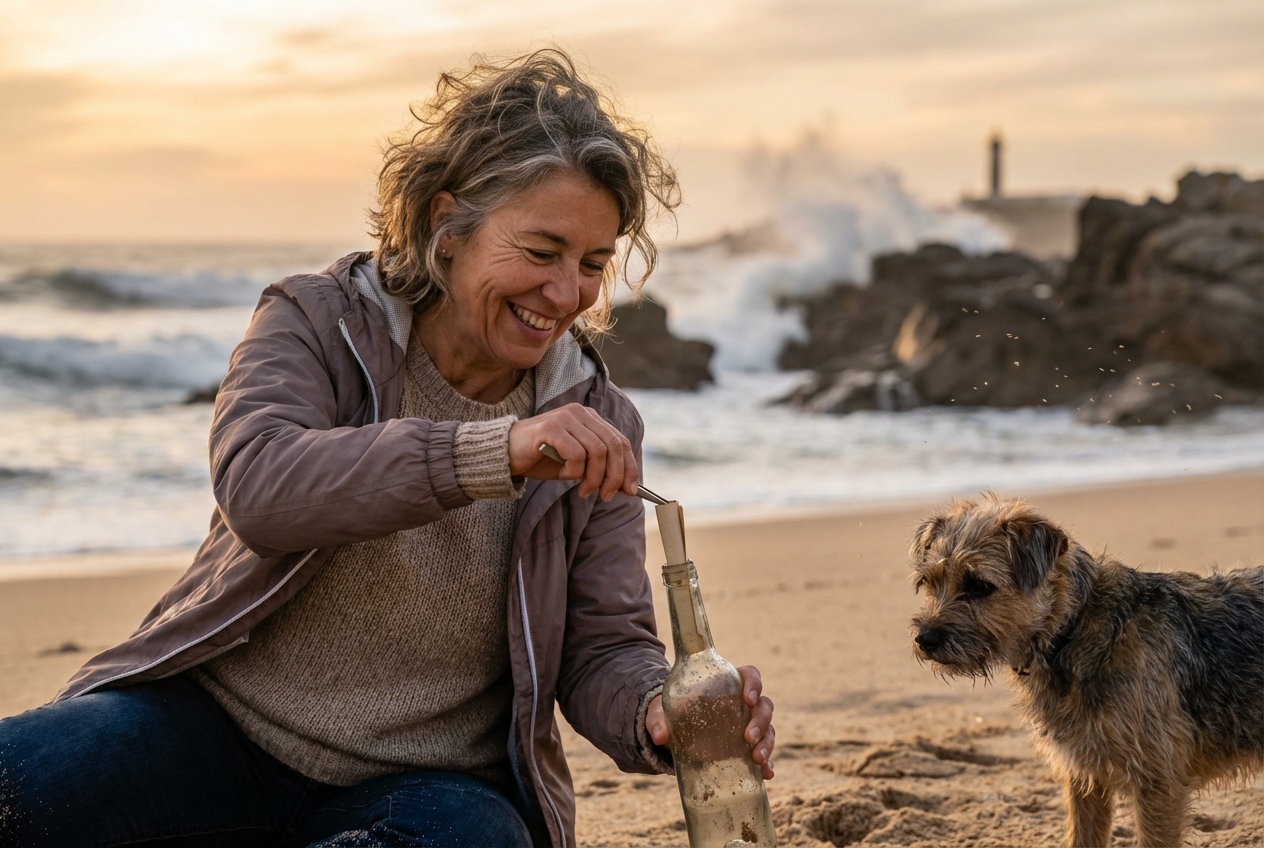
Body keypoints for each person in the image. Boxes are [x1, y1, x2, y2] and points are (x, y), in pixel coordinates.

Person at [0, 48, 775, 847]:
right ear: (448, 225)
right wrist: (494, 450)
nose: (566, 292)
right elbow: (261, 488)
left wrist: (659, 709)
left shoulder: (597, 418)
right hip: (212, 727)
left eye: (592, 264)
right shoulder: (316, 320)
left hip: (431, 786)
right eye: (542, 252)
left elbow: (602, 644)